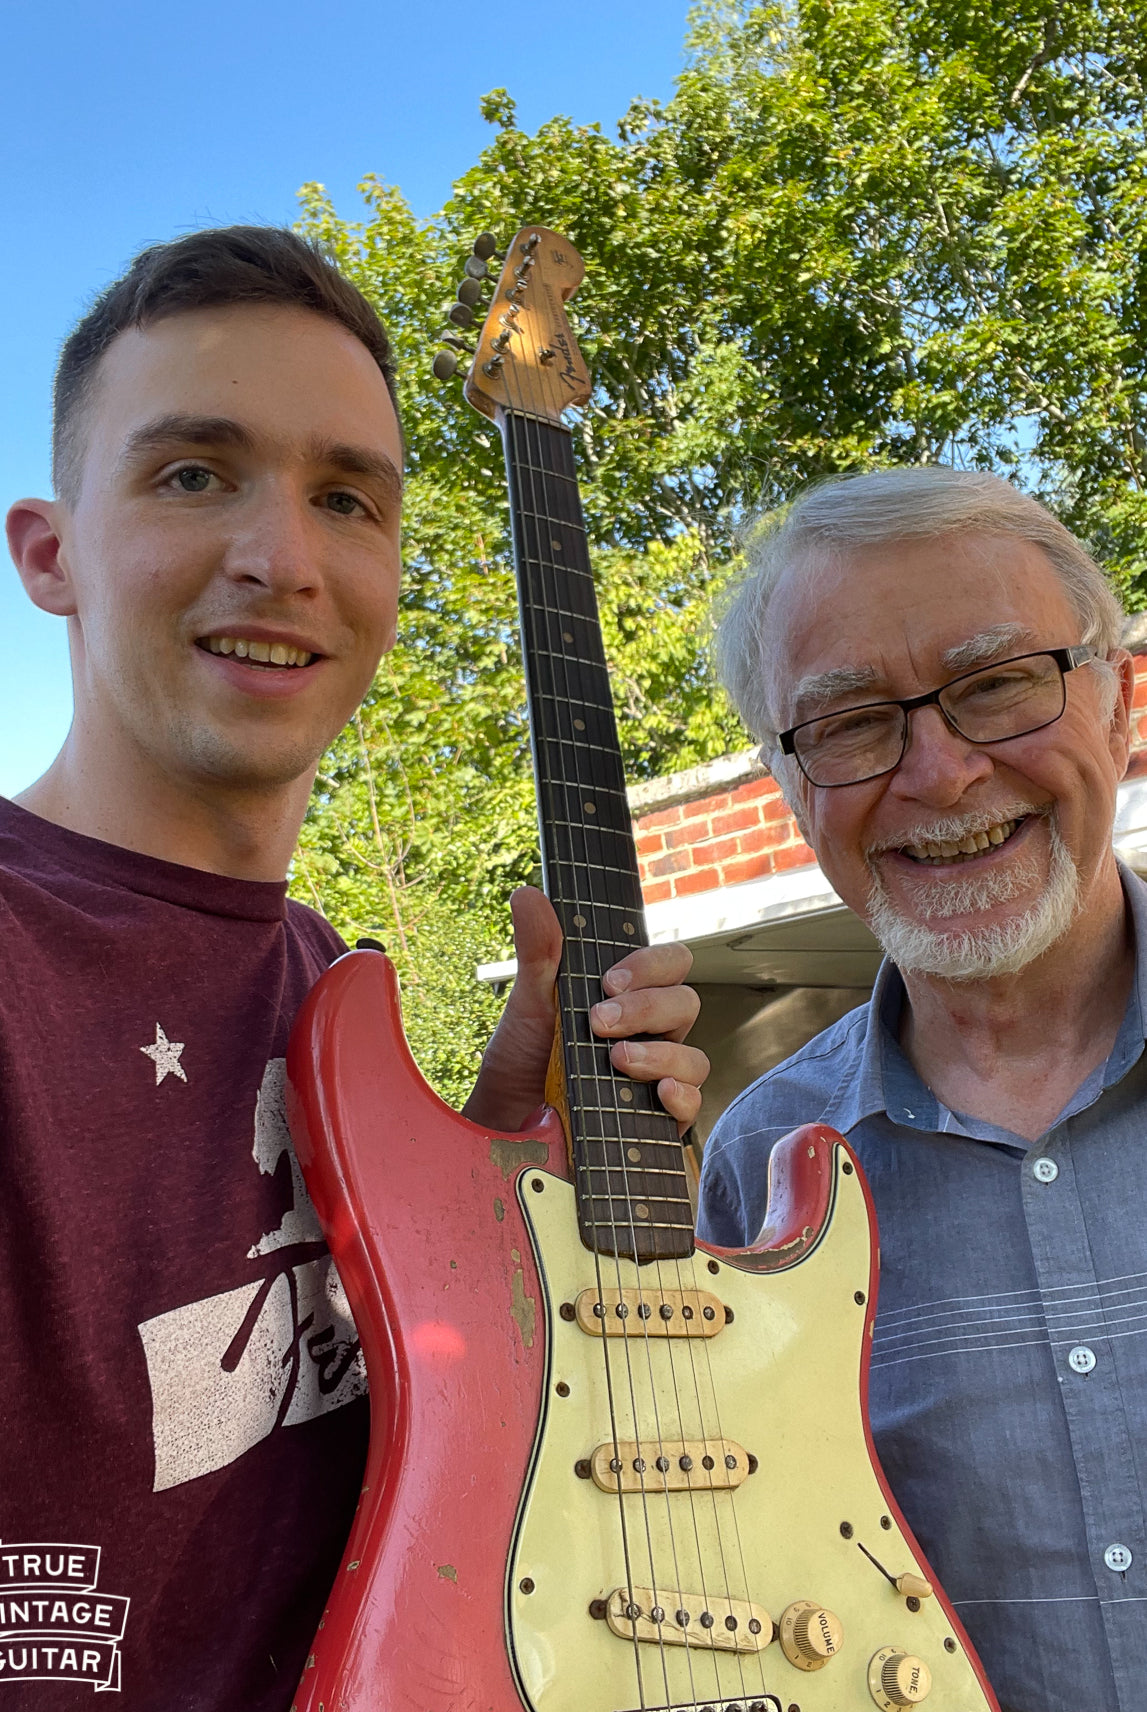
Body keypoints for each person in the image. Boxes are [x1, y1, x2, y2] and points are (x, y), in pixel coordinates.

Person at [1, 226, 709, 1709]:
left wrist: (499, 1158)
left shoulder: (324, 982)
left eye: (346, 498)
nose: (284, 558)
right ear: (49, 553)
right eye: (192, 473)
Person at [697, 466, 1146, 1712]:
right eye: (847, 721)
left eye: (997, 682)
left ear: (1121, 705)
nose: (940, 772)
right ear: (793, 793)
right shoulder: (760, 1165)